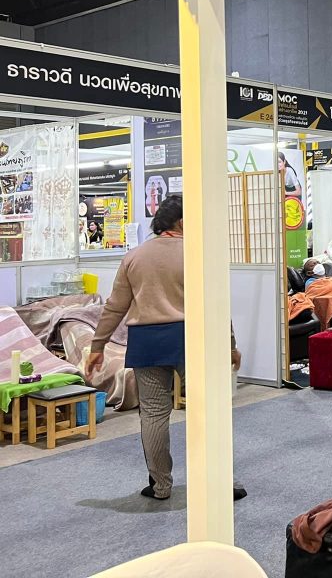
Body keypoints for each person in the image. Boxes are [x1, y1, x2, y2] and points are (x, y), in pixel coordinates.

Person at [84, 196, 245, 501]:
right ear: (182, 222)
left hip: (146, 341)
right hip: (193, 338)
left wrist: (97, 345)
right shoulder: (198, 254)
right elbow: (217, 304)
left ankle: (160, 486)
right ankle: (222, 484)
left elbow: (115, 306)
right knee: (208, 411)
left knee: (154, 415)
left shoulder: (134, 257)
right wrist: (230, 344)